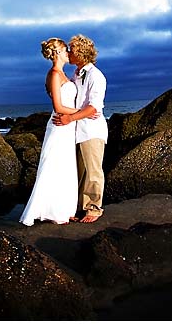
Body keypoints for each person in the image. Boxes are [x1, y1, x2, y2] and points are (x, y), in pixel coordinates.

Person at [19, 38, 80, 226]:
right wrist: (82, 113)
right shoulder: (54, 74)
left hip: (68, 126)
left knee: (65, 166)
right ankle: (52, 211)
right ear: (58, 53)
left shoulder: (63, 74)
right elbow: (58, 106)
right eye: (65, 50)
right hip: (60, 125)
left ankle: (63, 209)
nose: (68, 52)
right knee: (54, 165)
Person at [53, 34, 107, 223]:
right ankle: (78, 207)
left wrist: (69, 118)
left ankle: (94, 208)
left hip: (92, 130)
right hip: (76, 130)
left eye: (71, 50)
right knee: (79, 171)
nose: (68, 52)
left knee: (93, 171)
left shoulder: (96, 76)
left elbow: (94, 107)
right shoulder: (76, 74)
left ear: (81, 54)